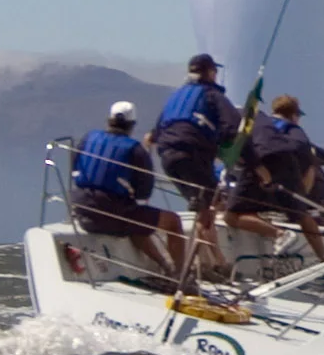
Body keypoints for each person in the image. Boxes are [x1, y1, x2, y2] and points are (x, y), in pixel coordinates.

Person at [70, 101, 186, 281]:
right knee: (173, 221)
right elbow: (144, 193)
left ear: (109, 120)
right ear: (132, 125)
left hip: (82, 212)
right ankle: (179, 277)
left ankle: (166, 267)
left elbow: (74, 170)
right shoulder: (135, 150)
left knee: (134, 221)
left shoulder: (87, 139)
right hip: (112, 216)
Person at [226, 95, 324, 261]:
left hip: (260, 166)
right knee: (301, 214)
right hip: (282, 168)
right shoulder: (292, 129)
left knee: (233, 215)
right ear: (294, 115)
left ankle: (278, 234)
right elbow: (313, 152)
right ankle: (323, 257)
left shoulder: (263, 123)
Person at [151, 56, 240, 261]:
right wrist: (224, 147)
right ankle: (213, 263)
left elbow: (155, 132)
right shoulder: (211, 94)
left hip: (167, 157)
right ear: (210, 73)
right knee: (212, 203)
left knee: (203, 205)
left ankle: (207, 262)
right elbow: (233, 125)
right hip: (191, 155)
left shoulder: (176, 96)